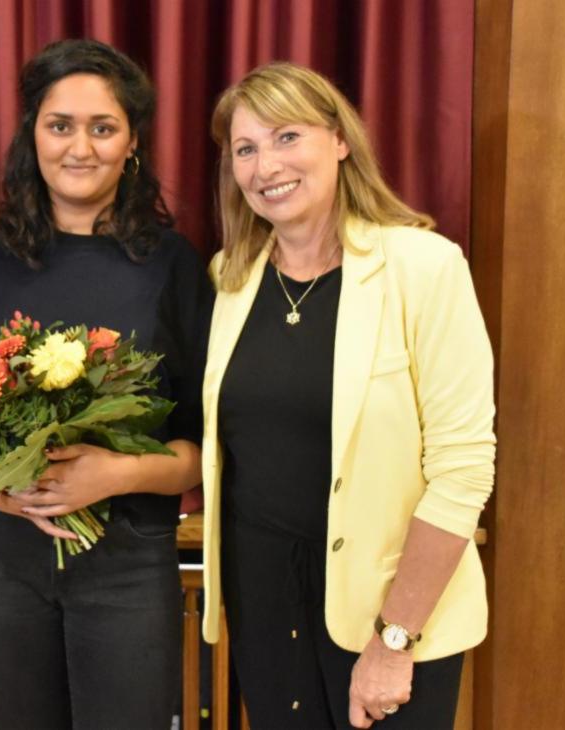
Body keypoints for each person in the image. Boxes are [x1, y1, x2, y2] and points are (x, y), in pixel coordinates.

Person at [199, 62, 496, 729]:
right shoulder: (228, 280)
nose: (263, 164)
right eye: (244, 149)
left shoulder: (423, 267)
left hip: (388, 621)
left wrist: (395, 638)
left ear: (338, 140)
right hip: (265, 609)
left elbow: (462, 469)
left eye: (285, 137)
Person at [0, 39, 213, 729]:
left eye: (102, 127)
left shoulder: (174, 268)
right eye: (60, 125)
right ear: (32, 136)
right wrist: (14, 495)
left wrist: (110, 475)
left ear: (132, 143)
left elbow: (209, 450)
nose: (79, 147)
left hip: (126, 565)